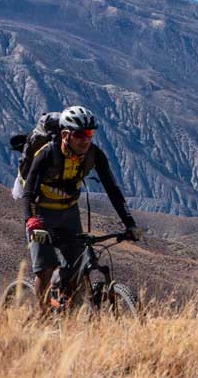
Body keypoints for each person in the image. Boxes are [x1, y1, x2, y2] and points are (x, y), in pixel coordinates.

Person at [20, 105, 143, 303]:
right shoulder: (47, 154)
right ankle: (42, 315)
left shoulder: (94, 154)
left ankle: (67, 311)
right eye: (79, 134)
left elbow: (112, 190)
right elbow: (28, 191)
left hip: (69, 212)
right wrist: (31, 220)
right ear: (65, 135)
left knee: (77, 269)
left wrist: (130, 224)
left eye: (89, 134)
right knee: (45, 269)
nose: (85, 139)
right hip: (41, 212)